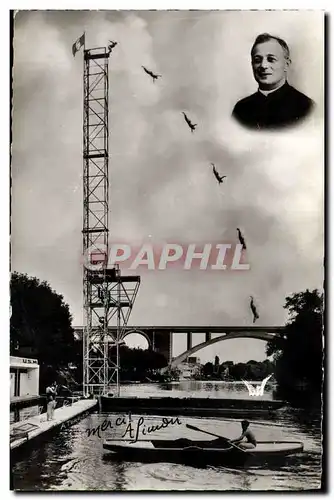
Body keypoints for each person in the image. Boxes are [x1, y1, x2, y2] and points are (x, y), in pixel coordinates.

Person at [232, 33, 314, 130]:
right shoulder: (241, 108)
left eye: (271, 59)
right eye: (257, 60)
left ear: (286, 65)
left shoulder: (306, 107)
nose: (263, 66)